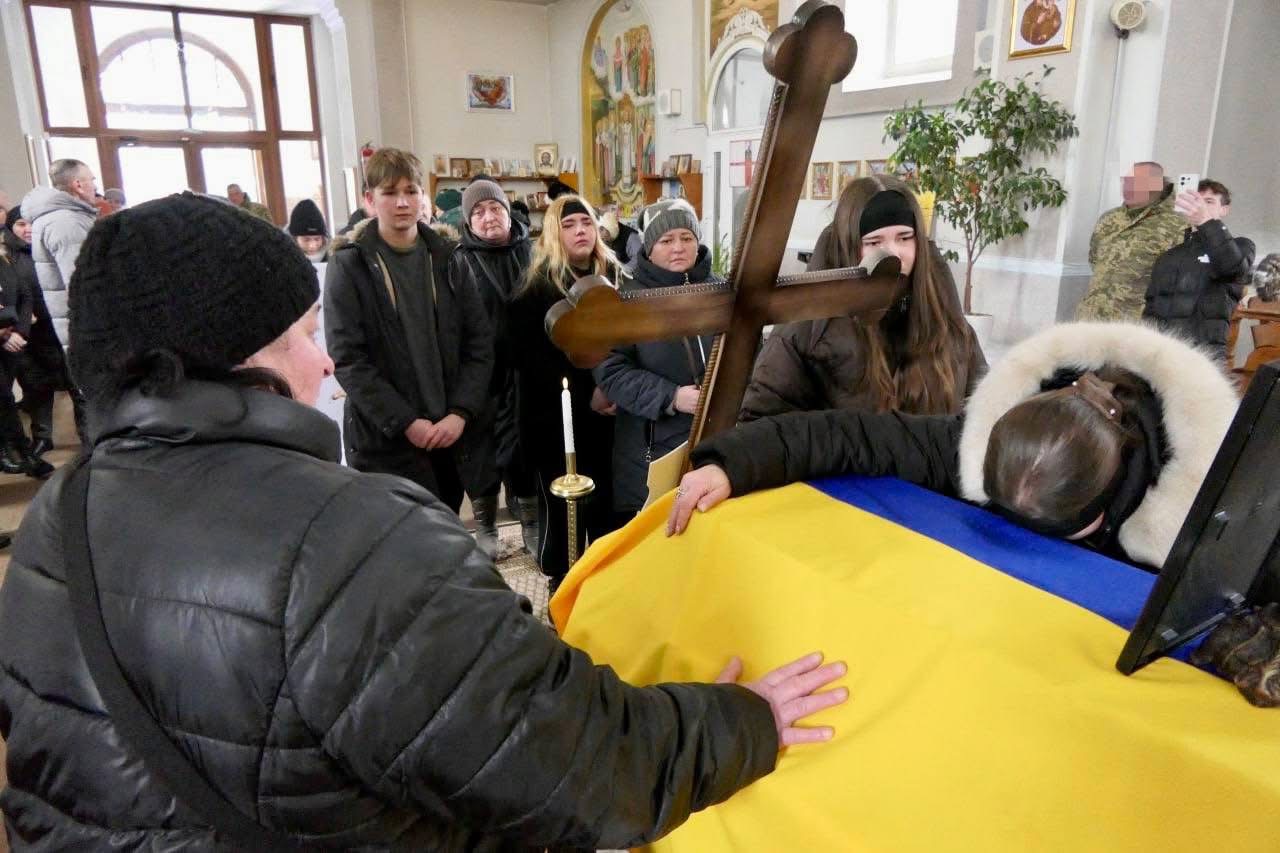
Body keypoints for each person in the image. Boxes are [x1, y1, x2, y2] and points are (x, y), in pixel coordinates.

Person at [0, 191, 848, 849]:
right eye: (302, 333)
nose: (324, 361)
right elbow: (571, 760)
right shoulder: (352, 542)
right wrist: (743, 722)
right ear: (232, 356)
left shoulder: (57, 519)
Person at [669, 322, 1239, 572]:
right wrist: (731, 464)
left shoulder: (1217, 507)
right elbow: (848, 435)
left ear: (1115, 493)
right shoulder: (983, 437)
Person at [325, 148, 493, 514]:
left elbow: (479, 344)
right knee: (394, 539)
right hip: (385, 441)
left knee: (444, 531)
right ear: (370, 200)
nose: (402, 202)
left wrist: (460, 413)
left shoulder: (451, 257)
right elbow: (348, 358)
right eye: (390, 192)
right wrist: (405, 422)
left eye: (411, 191)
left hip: (448, 435)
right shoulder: (349, 264)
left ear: (422, 196)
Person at [742, 175, 986, 421]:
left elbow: (986, 414)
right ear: (848, 248)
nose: (894, 254)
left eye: (904, 237)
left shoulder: (949, 325)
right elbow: (759, 424)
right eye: (874, 242)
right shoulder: (805, 332)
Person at [508, 194, 621, 581]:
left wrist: (610, 385)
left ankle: (604, 591)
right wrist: (590, 388)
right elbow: (527, 359)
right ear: (554, 234)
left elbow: (623, 339)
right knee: (563, 516)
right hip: (554, 420)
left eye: (586, 223)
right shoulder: (534, 288)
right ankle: (562, 589)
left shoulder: (614, 276)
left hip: (606, 417)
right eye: (569, 225)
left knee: (606, 511)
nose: (580, 231)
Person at [595, 199, 717, 514]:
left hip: (717, 440)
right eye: (666, 240)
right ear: (649, 248)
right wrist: (672, 397)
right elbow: (611, 371)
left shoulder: (721, 292)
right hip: (652, 448)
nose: (678, 248)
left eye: (686, 238)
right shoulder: (627, 300)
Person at [448, 178, 538, 555]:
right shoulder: (458, 260)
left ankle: (531, 521)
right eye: (479, 212)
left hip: (525, 369)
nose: (489, 218)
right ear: (469, 221)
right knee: (480, 450)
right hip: (479, 374)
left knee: (525, 445)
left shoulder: (533, 252)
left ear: (508, 212)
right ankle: (485, 527)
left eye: (495, 208)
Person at [1142, 179, 1254, 360]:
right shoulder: (1169, 256)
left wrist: (1205, 221)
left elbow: (1233, 268)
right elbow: (1152, 308)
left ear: (1224, 209)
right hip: (1160, 355)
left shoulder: (1242, 246)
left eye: (1209, 201)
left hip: (1203, 356)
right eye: (1196, 200)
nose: (1200, 206)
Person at [3, 206, 74, 458]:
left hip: (62, 325)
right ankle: (42, 437)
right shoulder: (8, 256)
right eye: (21, 224)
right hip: (28, 331)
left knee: (75, 382)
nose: (28, 229)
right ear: (11, 228)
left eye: (32, 223)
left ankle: (89, 436)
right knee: (35, 386)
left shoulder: (53, 245)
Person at [1076, 161, 1185, 322]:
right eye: (1126, 181)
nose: (1127, 187)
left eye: (1135, 182)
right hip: (1091, 318)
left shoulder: (1177, 224)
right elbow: (1095, 259)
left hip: (1135, 323)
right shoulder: (1110, 218)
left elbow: (1181, 278)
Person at [22, 158, 99, 346]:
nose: (95, 187)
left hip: (81, 327)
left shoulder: (55, 217)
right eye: (92, 180)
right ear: (78, 185)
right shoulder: (66, 222)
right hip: (91, 330)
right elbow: (82, 284)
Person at [0, 229, 53, 478]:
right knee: (3, 399)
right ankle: (19, 453)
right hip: (4, 338)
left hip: (12, 341)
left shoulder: (4, 260)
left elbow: (25, 295)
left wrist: (20, 331)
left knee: (7, 400)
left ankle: (19, 452)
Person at [287, 197, 330, 262]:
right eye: (306, 240)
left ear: (323, 238)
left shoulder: (334, 256)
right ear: (294, 239)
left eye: (317, 239)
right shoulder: (283, 258)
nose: (312, 246)